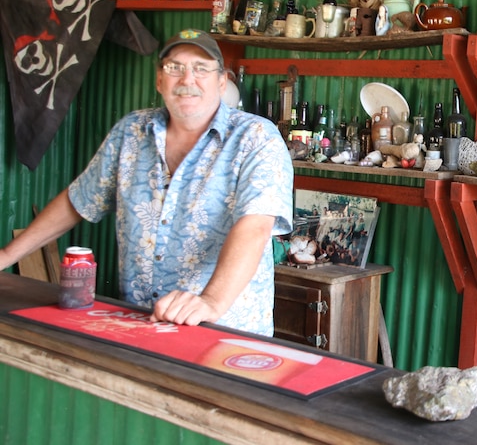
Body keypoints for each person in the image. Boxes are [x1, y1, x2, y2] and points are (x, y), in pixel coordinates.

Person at [0, 29, 293, 336]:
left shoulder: (256, 137)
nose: (187, 79)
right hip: (141, 324)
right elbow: (78, 201)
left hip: (223, 332)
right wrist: (6, 256)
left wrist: (210, 302)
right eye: (175, 68)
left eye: (201, 69)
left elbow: (255, 226)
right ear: (159, 80)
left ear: (222, 82)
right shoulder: (132, 132)